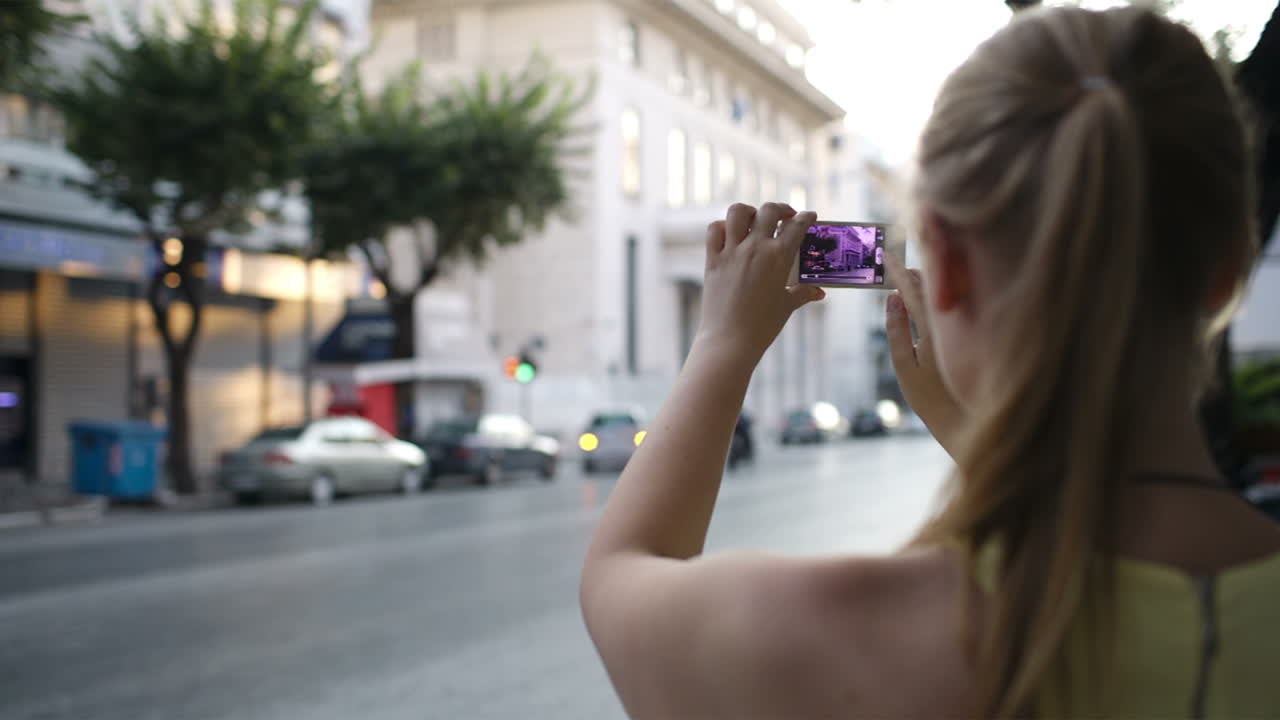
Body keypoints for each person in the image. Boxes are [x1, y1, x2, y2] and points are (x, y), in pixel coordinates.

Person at [579, 5, 1280, 718]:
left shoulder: (823, 632)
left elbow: (621, 572)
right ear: (1230, 268)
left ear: (942, 266)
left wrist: (724, 342)